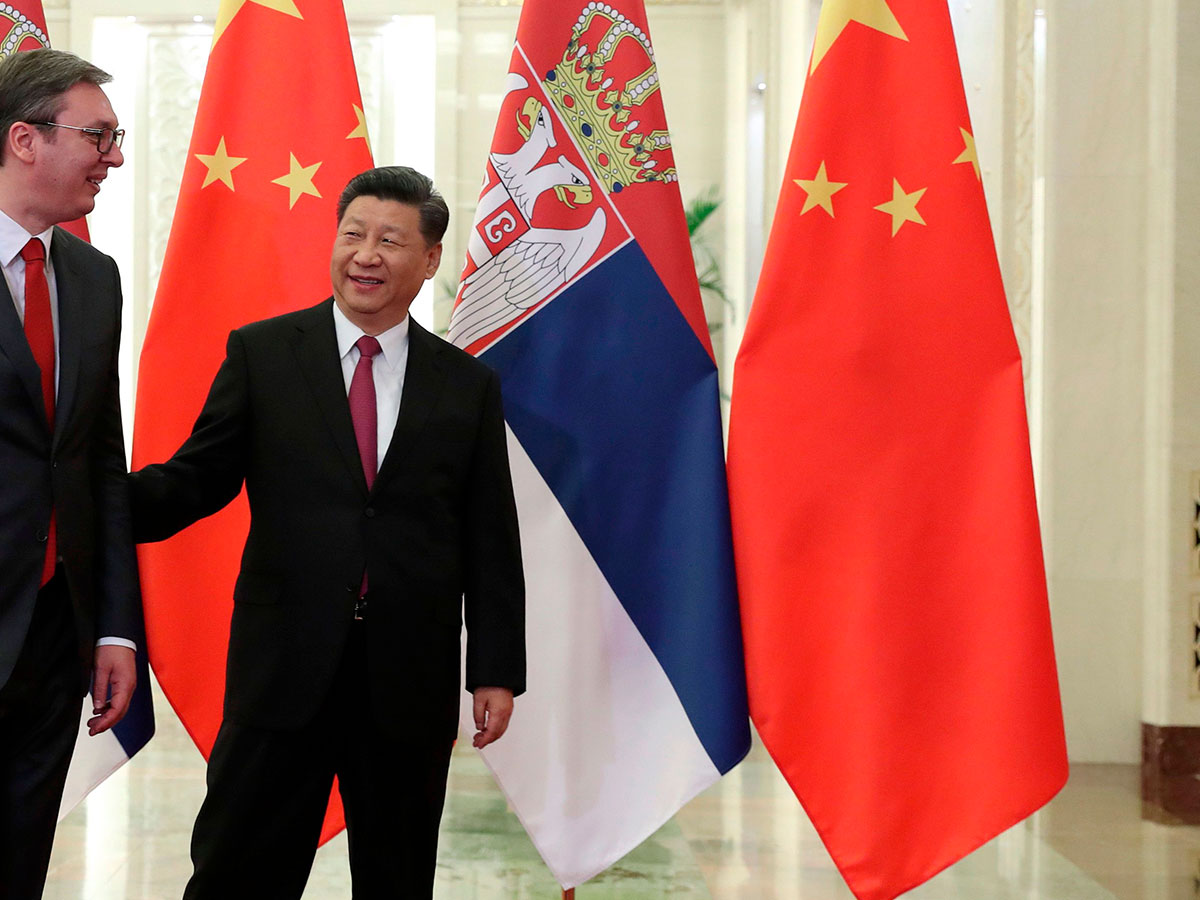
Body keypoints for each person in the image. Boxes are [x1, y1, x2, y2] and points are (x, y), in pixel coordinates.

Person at [130, 165, 526, 899]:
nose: (365, 255)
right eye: (353, 234)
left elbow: (489, 535)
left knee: (397, 878)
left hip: (407, 679)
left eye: (389, 241)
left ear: (429, 259)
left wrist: (495, 669)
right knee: (237, 874)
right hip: (283, 670)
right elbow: (197, 478)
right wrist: (88, 503)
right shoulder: (264, 354)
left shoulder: (467, 384)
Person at [0, 48, 141, 897]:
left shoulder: (94, 279)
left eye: (116, 139)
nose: (113, 157)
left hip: (55, 635)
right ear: (25, 140)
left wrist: (116, 628)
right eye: (98, 136)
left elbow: (98, 459)